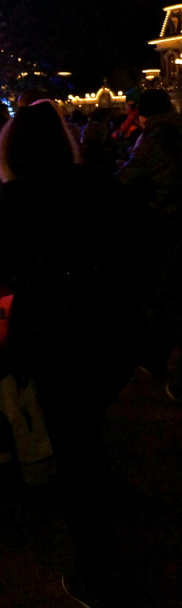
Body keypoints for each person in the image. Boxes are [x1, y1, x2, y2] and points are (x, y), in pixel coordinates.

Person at [0, 100, 142, 608]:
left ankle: (98, 566)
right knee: (87, 429)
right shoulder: (100, 185)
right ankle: (101, 512)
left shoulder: (18, 198)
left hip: (53, 331)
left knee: (75, 444)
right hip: (109, 326)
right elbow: (142, 242)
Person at [116, 88, 182, 401]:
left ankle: (163, 367)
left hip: (166, 228)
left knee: (166, 299)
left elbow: (126, 180)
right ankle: (156, 359)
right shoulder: (176, 132)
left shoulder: (153, 141)